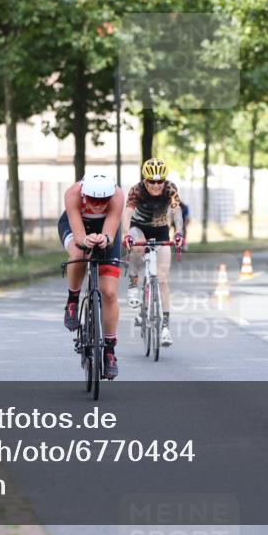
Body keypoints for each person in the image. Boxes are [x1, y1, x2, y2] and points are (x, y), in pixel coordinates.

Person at [59, 173, 125, 379]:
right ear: (85, 194)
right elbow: (79, 236)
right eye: (94, 200)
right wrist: (86, 240)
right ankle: (72, 300)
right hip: (76, 226)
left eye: (103, 200)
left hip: (105, 228)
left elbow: (110, 232)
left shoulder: (118, 195)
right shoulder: (73, 194)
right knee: (78, 253)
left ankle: (109, 351)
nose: (98, 204)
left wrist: (105, 238)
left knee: (109, 293)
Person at [122, 158, 185, 348]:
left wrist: (179, 232)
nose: (156, 186)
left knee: (163, 279)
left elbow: (176, 212)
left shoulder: (170, 188)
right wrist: (126, 234)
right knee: (138, 246)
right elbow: (126, 213)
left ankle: (165, 327)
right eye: (152, 181)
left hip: (160, 230)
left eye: (160, 181)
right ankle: (133, 284)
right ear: (145, 180)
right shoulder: (137, 190)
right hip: (139, 227)